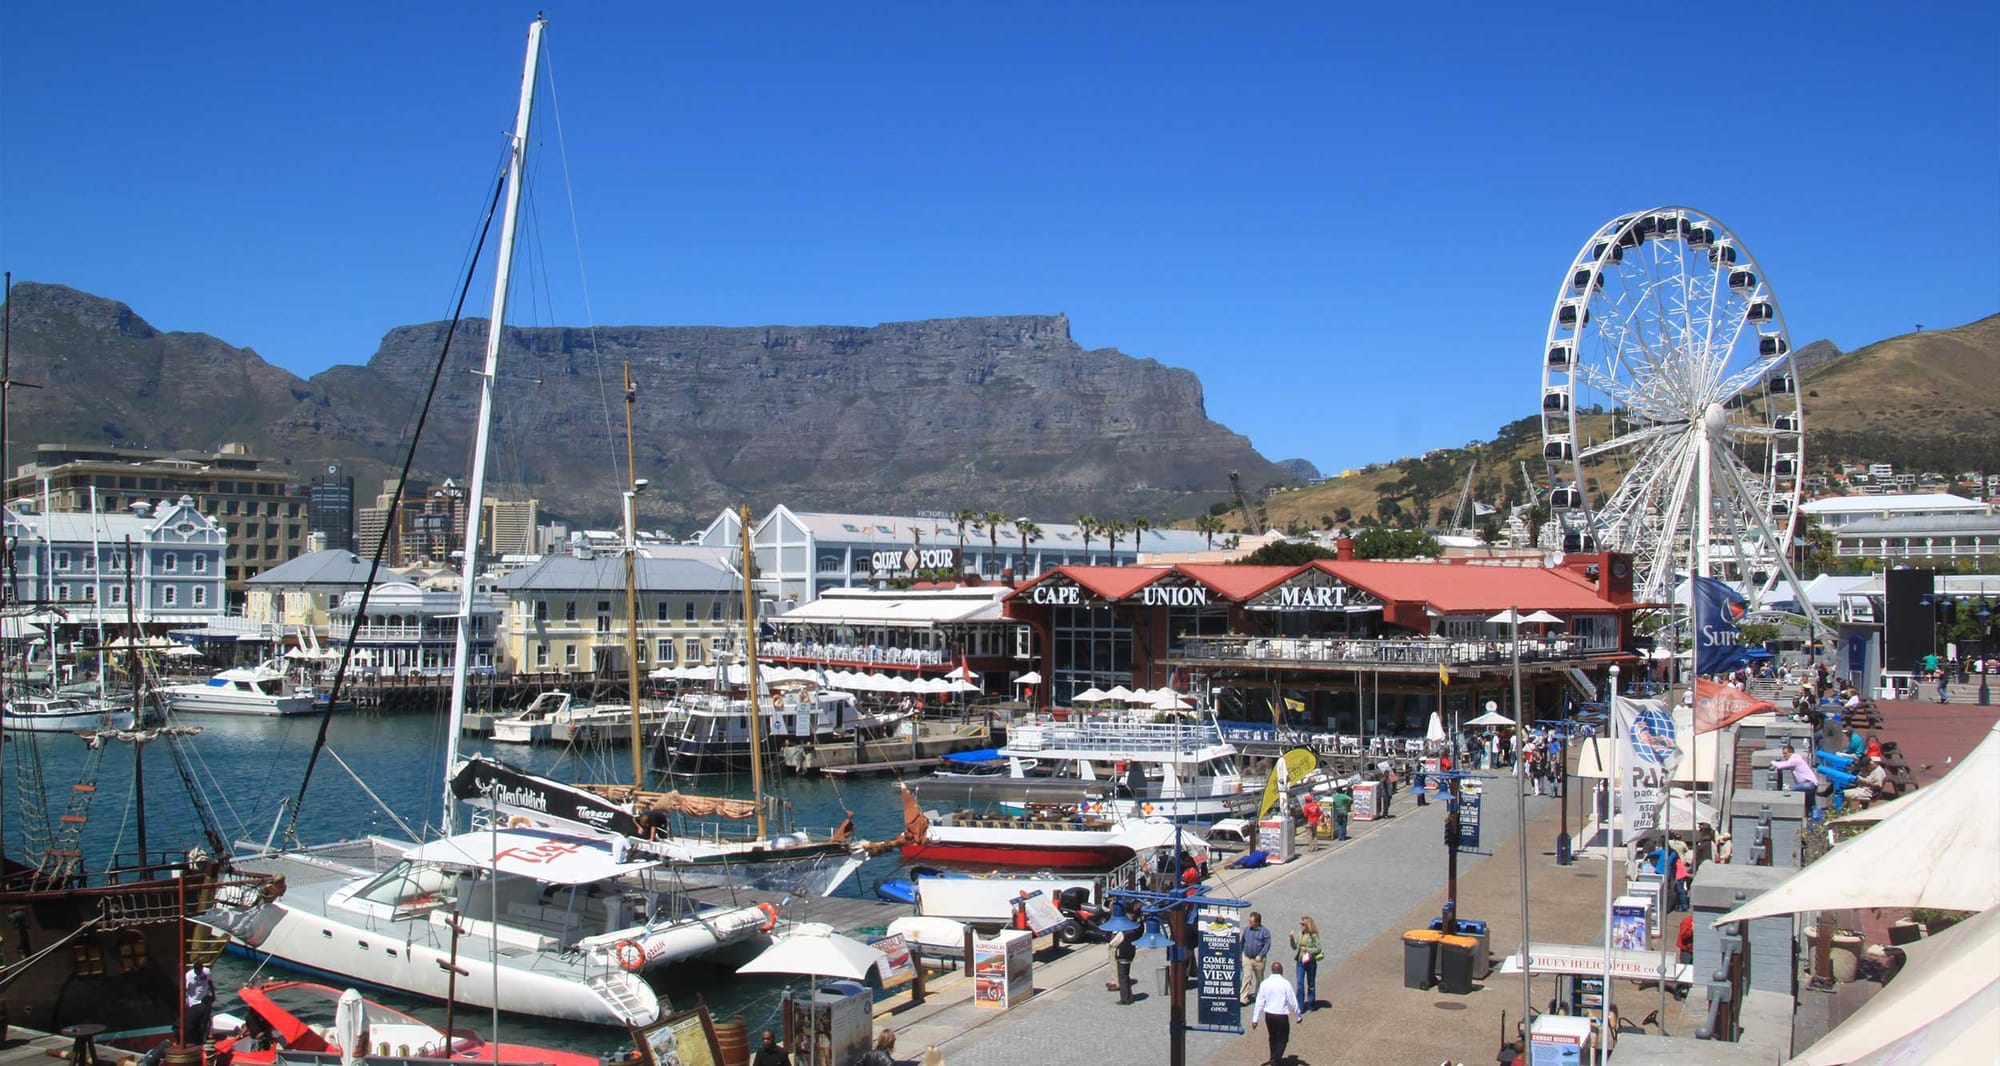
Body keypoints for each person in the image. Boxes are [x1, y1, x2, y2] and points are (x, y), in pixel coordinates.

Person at [1249, 960, 1302, 1066]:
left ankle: (1273, 1057)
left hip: (1269, 1015)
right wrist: (1298, 1015)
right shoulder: (1285, 983)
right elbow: (1292, 1001)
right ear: (1281, 971)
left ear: (1272, 971)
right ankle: (1275, 1060)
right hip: (1281, 1015)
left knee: (1272, 1037)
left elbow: (1259, 1002)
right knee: (1283, 1038)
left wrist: (1255, 1019)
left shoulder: (1265, 983)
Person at [1771, 743, 1821, 818]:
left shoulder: (1795, 759)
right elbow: (1786, 765)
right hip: (1812, 784)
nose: (1784, 755)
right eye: (1783, 753)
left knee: (1790, 790)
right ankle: (1817, 820)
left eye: (1785, 753)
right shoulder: (1796, 759)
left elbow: (1780, 766)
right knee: (1811, 804)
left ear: (1791, 753)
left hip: (1809, 784)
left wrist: (1772, 762)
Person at [1289, 916, 1323, 1010]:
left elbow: (1318, 948)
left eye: (1303, 924)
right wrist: (1291, 938)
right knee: (1300, 983)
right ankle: (1299, 1005)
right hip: (1300, 962)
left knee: (1311, 983)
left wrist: (1307, 949)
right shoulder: (1300, 934)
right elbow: (1294, 947)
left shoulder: (1313, 935)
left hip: (1310, 962)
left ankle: (1311, 1003)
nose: (1301, 925)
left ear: (1307, 925)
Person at [1240, 911, 1272, 1005]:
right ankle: (1243, 998)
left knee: (1259, 978)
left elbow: (1267, 944)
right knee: (1247, 977)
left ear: (1257, 922)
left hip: (1258, 959)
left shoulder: (1265, 932)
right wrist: (1240, 954)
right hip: (1247, 957)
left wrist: (1261, 955)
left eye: (1251, 921)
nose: (1249, 922)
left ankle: (1259, 996)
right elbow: (1242, 942)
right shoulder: (1247, 930)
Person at [1110, 927, 1137, 1004]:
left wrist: (1113, 937)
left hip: (1122, 956)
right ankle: (1129, 996)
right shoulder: (1132, 931)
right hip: (1130, 956)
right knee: (1126, 976)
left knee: (1122, 978)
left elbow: (1113, 943)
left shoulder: (1123, 933)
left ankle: (1125, 999)